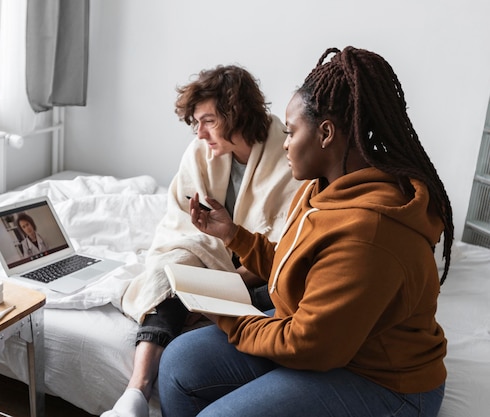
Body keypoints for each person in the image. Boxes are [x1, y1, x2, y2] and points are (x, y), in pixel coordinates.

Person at [158, 46, 454, 417]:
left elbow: (308, 345)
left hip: (382, 379)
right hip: (325, 338)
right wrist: (234, 235)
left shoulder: (370, 231)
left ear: (326, 133)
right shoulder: (321, 189)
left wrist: (227, 317)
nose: (283, 143)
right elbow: (295, 262)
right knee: (179, 362)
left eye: (291, 131)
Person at [101, 65, 300, 417]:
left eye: (208, 121)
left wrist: (217, 282)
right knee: (170, 272)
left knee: (186, 287)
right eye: (196, 123)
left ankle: (187, 311)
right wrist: (197, 270)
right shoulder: (200, 152)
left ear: (235, 112)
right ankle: (135, 394)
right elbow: (179, 225)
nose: (200, 132)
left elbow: (286, 249)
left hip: (259, 275)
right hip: (214, 259)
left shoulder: (288, 155)